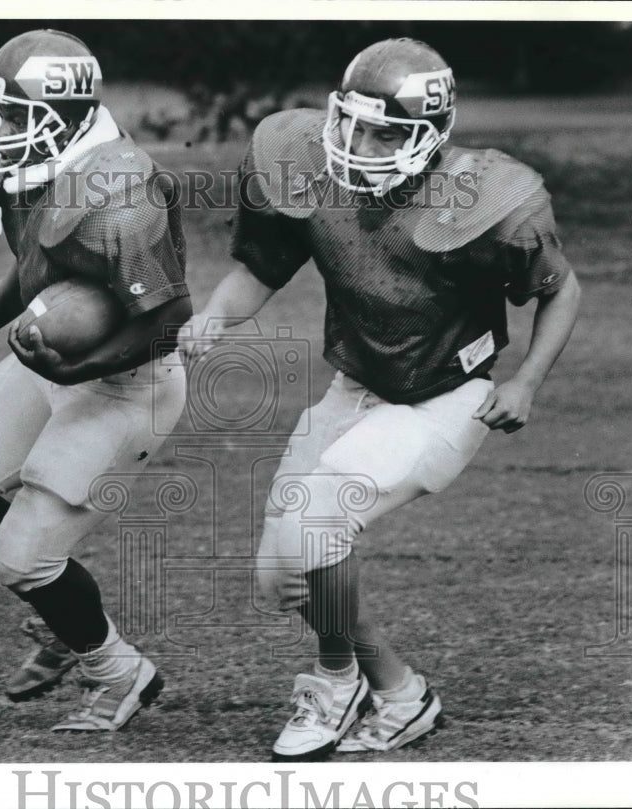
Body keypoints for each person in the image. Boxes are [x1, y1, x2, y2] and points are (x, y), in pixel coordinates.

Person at [181, 38, 580, 760]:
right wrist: (215, 313)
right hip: (356, 384)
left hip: (448, 397)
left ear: (430, 136)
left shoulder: (484, 198)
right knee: (283, 576)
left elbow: (561, 289)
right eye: (352, 124)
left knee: (314, 528)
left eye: (385, 132)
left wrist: (525, 380)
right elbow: (266, 267)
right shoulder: (301, 161)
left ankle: (352, 687)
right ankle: (392, 695)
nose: (360, 145)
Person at [0, 29, 191, 730]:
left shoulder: (118, 186)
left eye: (15, 114)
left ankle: (118, 670)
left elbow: (168, 315)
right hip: (57, 363)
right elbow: (41, 252)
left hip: (130, 374)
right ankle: (65, 624)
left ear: (63, 114)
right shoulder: (42, 161)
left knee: (24, 555)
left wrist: (83, 365)